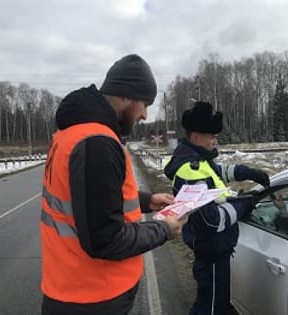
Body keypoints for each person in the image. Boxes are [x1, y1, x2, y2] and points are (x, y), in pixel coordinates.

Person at [40, 54, 187, 315]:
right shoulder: (97, 142)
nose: (144, 114)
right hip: (93, 296)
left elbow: (87, 200)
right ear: (126, 96)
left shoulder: (74, 133)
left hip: (74, 287)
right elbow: (106, 239)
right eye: (145, 104)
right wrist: (163, 229)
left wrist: (146, 201)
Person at [164, 101, 270, 315]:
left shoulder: (198, 159)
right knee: (210, 308)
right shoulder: (191, 169)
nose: (215, 140)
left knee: (217, 303)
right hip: (211, 249)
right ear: (195, 137)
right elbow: (210, 220)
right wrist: (244, 204)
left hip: (215, 249)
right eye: (211, 136)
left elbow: (218, 172)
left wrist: (247, 172)